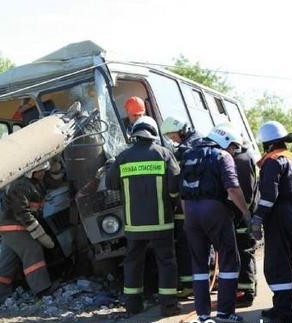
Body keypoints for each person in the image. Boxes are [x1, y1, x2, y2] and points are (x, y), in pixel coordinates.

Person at [105, 116, 181, 317]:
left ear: (135, 134)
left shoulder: (123, 157)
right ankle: (169, 305)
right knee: (166, 261)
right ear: (154, 134)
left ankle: (132, 306)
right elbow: (175, 187)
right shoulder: (164, 154)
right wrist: (173, 204)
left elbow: (110, 184)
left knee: (133, 263)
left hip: (134, 225)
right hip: (161, 223)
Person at [181, 123, 251, 323]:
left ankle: (203, 316)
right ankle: (225, 313)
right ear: (225, 141)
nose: (234, 151)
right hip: (214, 210)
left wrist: (189, 219)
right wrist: (245, 213)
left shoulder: (188, 155)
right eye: (234, 147)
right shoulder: (222, 156)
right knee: (230, 260)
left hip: (192, 213)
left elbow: (183, 194)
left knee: (199, 264)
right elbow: (232, 188)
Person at [250, 120, 292, 323]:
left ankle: (284, 313)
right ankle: (280, 306)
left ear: (268, 144)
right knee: (285, 260)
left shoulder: (273, 161)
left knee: (276, 264)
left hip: (278, 214)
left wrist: (258, 218)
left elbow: (269, 196)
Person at [0, 161, 56, 307]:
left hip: (12, 226)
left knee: (7, 261)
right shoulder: (21, 186)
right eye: (40, 171)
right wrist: (40, 234)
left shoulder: (36, 182)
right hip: (13, 225)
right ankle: (42, 290)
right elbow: (22, 213)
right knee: (32, 250)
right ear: (31, 172)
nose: (43, 172)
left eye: (44, 170)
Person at [160, 116, 202, 296]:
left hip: (188, 205)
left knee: (185, 246)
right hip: (203, 204)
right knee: (201, 245)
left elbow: (177, 179)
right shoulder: (199, 141)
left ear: (181, 131)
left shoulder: (186, 150)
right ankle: (205, 281)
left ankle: (189, 286)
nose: (172, 140)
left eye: (172, 136)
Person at [233, 139, 259, 307]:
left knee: (244, 251)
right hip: (247, 214)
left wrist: (240, 213)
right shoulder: (246, 157)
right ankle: (250, 288)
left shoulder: (241, 160)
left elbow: (246, 194)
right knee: (246, 251)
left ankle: (246, 293)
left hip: (243, 216)